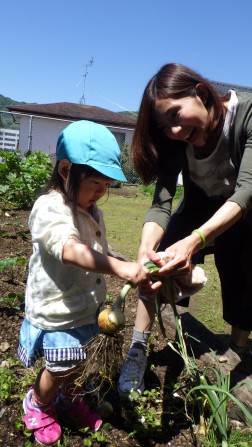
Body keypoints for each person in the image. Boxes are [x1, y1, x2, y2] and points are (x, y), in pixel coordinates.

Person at [118, 62, 252, 397]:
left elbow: (248, 190)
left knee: (242, 269)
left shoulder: (247, 114)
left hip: (244, 211)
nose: (174, 131)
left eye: (176, 115)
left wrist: (196, 240)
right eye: (164, 126)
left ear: (202, 93)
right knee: (156, 261)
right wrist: (146, 246)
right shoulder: (177, 140)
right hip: (199, 206)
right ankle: (139, 348)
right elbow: (162, 199)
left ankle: (238, 349)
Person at [18, 120, 149, 446]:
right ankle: (39, 402)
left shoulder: (91, 211)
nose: (101, 192)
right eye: (95, 183)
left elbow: (96, 253)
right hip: (57, 309)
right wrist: (119, 267)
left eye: (106, 184)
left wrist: (126, 263)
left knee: (78, 363)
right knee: (60, 367)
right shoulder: (50, 208)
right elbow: (70, 250)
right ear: (65, 170)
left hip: (85, 307)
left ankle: (68, 401)